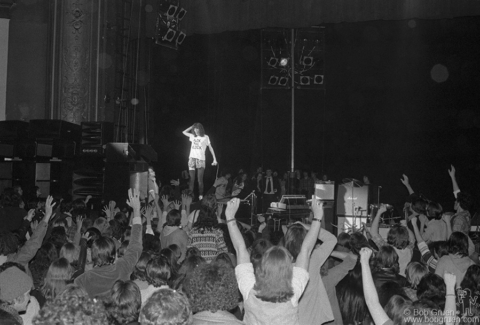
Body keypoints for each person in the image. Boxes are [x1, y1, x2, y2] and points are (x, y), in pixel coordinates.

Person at [226, 197, 322, 325]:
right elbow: (306, 250)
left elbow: (240, 249)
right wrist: (317, 218)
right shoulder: (293, 291)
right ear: (288, 269)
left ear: (262, 266)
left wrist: (230, 217)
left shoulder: (249, 289)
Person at [74, 189, 143, 298]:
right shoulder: (122, 267)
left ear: (93, 255)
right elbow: (136, 244)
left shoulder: (82, 280)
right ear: (114, 254)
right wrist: (137, 210)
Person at [182, 123, 218, 201]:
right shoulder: (192, 136)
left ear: (200, 129)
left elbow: (210, 148)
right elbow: (183, 132)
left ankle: (200, 195)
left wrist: (214, 159)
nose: (195, 130)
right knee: (191, 179)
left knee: (199, 179)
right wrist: (192, 126)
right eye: (194, 129)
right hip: (192, 158)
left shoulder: (205, 137)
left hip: (200, 159)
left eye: (197, 128)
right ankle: (189, 196)